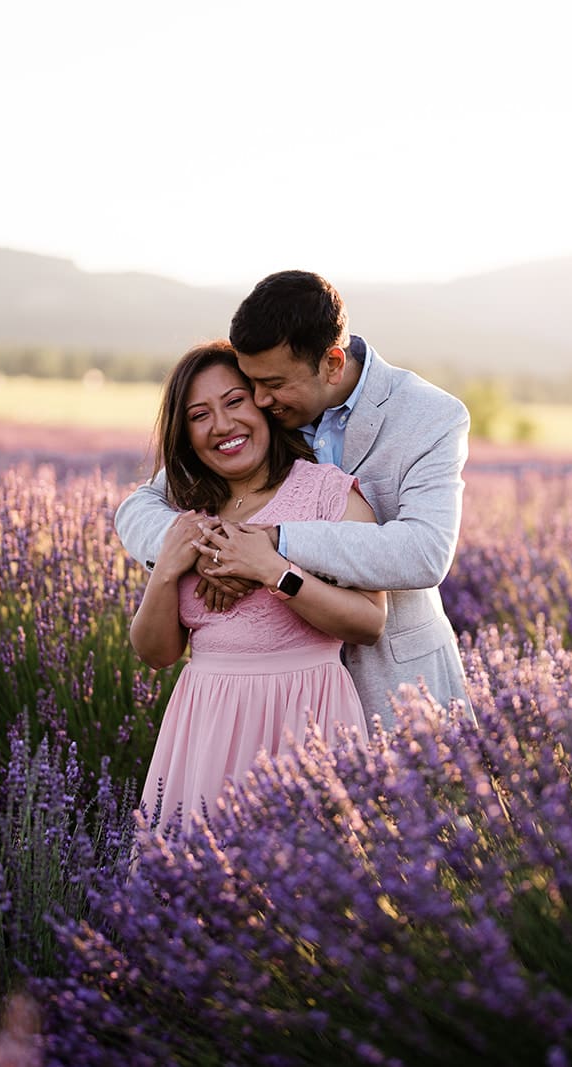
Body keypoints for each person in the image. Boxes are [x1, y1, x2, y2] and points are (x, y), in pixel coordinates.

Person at [116, 270, 469, 728]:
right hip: (275, 706)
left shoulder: (429, 416)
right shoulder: (263, 413)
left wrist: (273, 544)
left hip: (395, 686)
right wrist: (208, 548)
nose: (260, 399)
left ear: (332, 364)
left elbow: (425, 552)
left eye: (274, 384)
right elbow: (141, 506)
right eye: (252, 384)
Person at [128, 340, 386, 826]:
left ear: (264, 404)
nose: (222, 425)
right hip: (205, 723)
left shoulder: (327, 492)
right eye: (199, 415)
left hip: (306, 717)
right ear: (185, 433)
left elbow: (370, 623)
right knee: (198, 866)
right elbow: (156, 654)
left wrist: (273, 570)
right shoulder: (185, 513)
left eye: (234, 401)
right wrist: (167, 569)